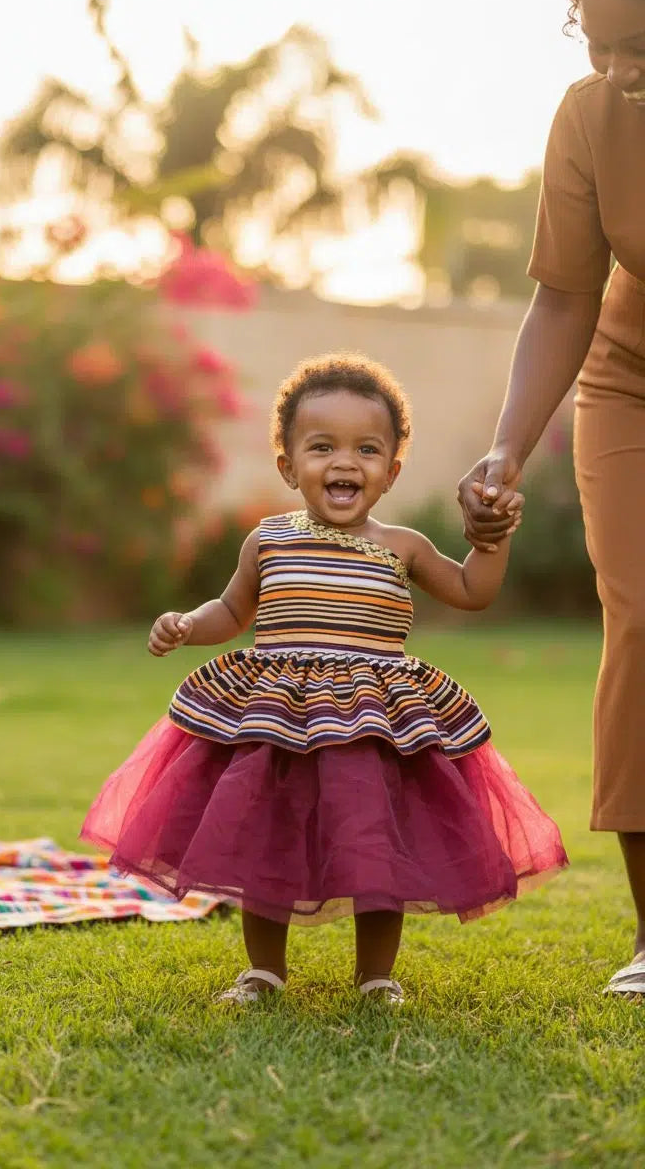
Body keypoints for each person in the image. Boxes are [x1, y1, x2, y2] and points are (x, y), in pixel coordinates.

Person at [82, 354, 568, 1005]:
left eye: (367, 449)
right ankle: (263, 970)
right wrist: (185, 623)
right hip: (278, 721)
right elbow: (231, 611)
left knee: (376, 847)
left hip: (373, 723)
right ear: (288, 465)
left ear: (391, 471)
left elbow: (473, 590)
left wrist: (493, 535)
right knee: (266, 840)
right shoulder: (269, 540)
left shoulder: (404, 547)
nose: (345, 462)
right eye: (322, 447)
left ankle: (376, 976)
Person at [457, 0, 645, 998]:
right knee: (644, 617)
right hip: (634, 389)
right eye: (601, 43)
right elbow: (566, 295)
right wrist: (504, 450)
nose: (618, 68)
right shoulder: (590, 116)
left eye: (641, 46)